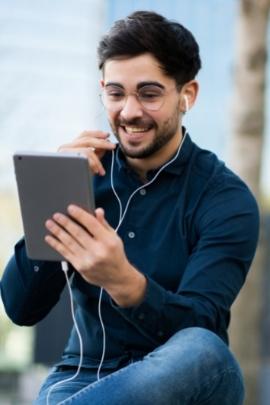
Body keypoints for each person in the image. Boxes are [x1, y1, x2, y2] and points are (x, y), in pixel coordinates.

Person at [1, 10, 259, 405]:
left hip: (189, 384)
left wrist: (125, 282)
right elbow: (21, 308)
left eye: (149, 93)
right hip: (82, 378)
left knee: (203, 348)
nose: (130, 111)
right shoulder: (84, 177)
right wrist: (51, 198)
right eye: (116, 93)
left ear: (187, 95)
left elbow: (202, 329)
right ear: (103, 89)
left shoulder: (225, 199)